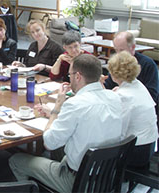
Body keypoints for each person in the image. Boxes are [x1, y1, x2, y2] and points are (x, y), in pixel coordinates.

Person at [9, 54, 122, 193]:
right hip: (107, 175)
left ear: (78, 76)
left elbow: (49, 143)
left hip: (77, 180)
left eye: (70, 76)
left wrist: (57, 108)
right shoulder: (115, 97)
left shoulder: (75, 104)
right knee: (62, 148)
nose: (70, 79)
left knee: (16, 160)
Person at [107, 51, 158, 169]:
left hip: (137, 151)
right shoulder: (138, 85)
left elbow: (118, 131)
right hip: (150, 144)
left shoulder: (123, 96)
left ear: (114, 74)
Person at [104, 31, 159, 105]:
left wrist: (122, 93)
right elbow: (108, 86)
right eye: (116, 50)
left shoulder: (148, 64)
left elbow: (152, 94)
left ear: (133, 47)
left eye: (122, 50)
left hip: (138, 105)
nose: (118, 54)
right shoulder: (116, 63)